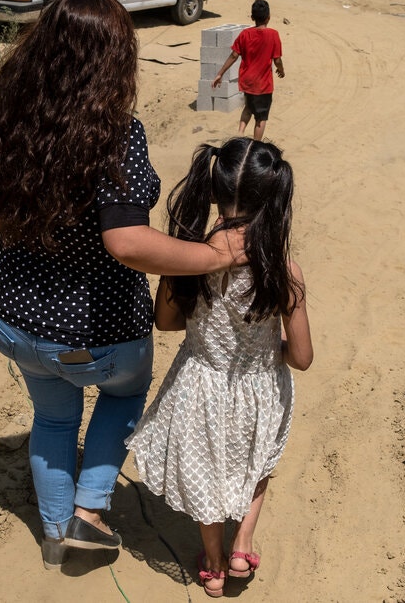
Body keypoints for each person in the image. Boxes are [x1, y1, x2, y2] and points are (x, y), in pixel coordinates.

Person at [0, 0, 244, 571]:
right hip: (96, 335)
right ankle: (88, 513)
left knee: (53, 417)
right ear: (113, 62)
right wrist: (212, 256)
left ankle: (54, 533)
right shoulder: (115, 135)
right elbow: (126, 242)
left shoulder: (6, 120)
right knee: (124, 394)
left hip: (13, 320)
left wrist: (32, 281)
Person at [126, 137, 314, 598]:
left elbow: (166, 322)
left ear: (213, 190)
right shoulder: (282, 269)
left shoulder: (189, 256)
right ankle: (242, 545)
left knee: (206, 470)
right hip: (259, 386)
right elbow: (303, 357)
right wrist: (270, 348)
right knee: (257, 461)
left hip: (199, 383)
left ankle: (212, 563)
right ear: (274, 197)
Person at [211, 0, 285, 141]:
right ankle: (255, 145)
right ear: (268, 17)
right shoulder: (273, 35)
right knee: (261, 118)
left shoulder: (245, 34)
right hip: (263, 85)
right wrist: (281, 70)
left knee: (248, 108)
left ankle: (240, 133)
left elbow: (234, 55)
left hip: (247, 81)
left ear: (252, 18)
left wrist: (220, 73)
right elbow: (277, 60)